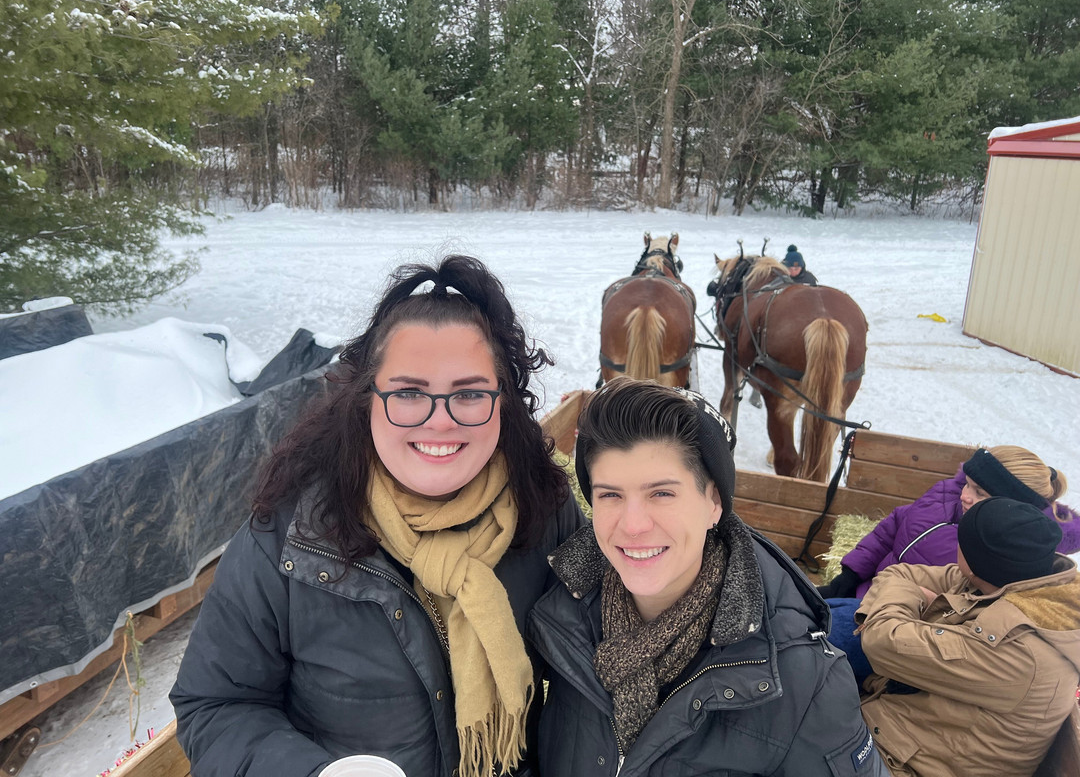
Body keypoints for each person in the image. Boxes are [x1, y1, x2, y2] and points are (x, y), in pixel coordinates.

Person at [169, 255, 585, 777]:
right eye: (409, 393)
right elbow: (215, 705)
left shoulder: (546, 512)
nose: (440, 421)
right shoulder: (289, 539)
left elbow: (606, 657)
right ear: (367, 399)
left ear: (502, 401)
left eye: (470, 393)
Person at [527, 378, 887, 776]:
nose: (631, 526)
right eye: (610, 495)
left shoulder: (806, 683)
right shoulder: (563, 614)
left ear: (714, 503)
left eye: (661, 493)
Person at [857, 497, 1080, 776]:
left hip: (909, 765)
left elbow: (880, 641)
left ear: (975, 561)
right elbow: (900, 572)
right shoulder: (1014, 581)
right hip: (907, 734)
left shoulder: (1022, 652)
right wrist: (915, 598)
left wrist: (918, 597)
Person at [820, 445, 1078, 601]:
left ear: (1009, 509)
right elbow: (894, 526)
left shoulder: (1003, 550)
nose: (965, 494)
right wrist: (851, 575)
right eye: (968, 483)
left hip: (895, 619)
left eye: (980, 493)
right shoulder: (945, 495)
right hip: (865, 591)